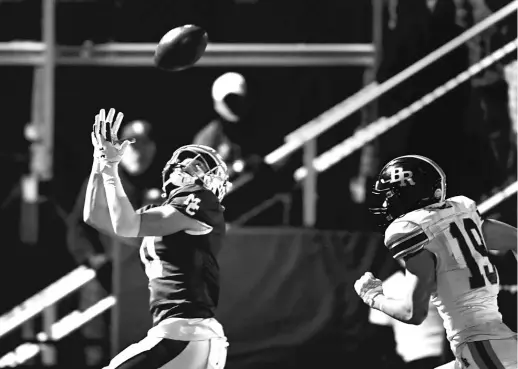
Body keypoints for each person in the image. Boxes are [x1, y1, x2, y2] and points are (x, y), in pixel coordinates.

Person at [84, 108, 230, 369]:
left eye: (197, 165)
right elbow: (96, 215)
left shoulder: (201, 202)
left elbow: (125, 223)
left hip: (184, 333)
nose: (185, 167)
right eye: (183, 163)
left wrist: (111, 167)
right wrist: (100, 161)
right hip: (185, 335)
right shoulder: (162, 216)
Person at [354, 155, 517, 369]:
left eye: (391, 195)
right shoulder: (462, 216)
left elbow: (412, 313)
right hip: (497, 343)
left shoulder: (414, 232)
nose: (386, 203)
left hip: (481, 347)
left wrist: (373, 297)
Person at [66, 118, 159, 366]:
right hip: (104, 281)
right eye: (132, 147)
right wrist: (92, 258)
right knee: (98, 350)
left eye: (144, 146)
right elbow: (77, 228)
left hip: (145, 285)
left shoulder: (165, 184)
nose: (138, 154)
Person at [369, 268, 447, 369]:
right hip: (410, 360)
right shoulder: (386, 288)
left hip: (446, 355)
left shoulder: (441, 281)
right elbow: (382, 340)